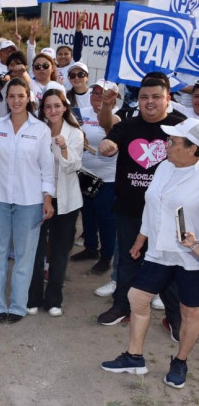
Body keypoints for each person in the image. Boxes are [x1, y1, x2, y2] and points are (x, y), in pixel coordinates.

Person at [101, 118, 199, 389]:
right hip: (159, 250)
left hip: (191, 258)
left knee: (191, 312)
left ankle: (180, 362)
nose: (166, 144)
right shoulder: (164, 167)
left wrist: (195, 245)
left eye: (173, 141)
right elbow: (151, 205)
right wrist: (141, 238)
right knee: (138, 298)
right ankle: (134, 357)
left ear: (193, 149)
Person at [97, 73, 185, 333]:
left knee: (168, 264)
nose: (149, 102)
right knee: (127, 260)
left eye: (156, 97)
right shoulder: (127, 124)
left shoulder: (180, 127)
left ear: (167, 98)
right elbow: (110, 138)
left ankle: (174, 317)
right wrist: (107, 145)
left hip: (167, 213)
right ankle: (121, 306)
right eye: (145, 97)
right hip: (129, 209)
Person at [0, 78, 55, 323]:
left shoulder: (40, 129)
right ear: (6, 99)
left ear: (28, 98)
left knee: (24, 257)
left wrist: (47, 199)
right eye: (12, 96)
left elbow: (47, 169)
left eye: (21, 96)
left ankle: (18, 306)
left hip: (29, 202)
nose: (16, 101)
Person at [27, 88, 84, 317]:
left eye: (57, 106)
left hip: (67, 201)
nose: (52, 111)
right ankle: (33, 297)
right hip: (38, 198)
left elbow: (74, 166)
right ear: (43, 109)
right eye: (48, 107)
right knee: (35, 249)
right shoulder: (36, 130)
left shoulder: (75, 133)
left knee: (60, 251)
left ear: (65, 107)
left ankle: (54, 300)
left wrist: (63, 147)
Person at [73, 81, 118, 279]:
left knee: (106, 219)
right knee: (88, 214)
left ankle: (106, 256)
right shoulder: (81, 112)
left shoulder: (115, 117)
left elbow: (111, 134)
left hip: (107, 178)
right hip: (84, 174)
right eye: (94, 93)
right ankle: (90, 247)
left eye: (102, 94)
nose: (96, 97)